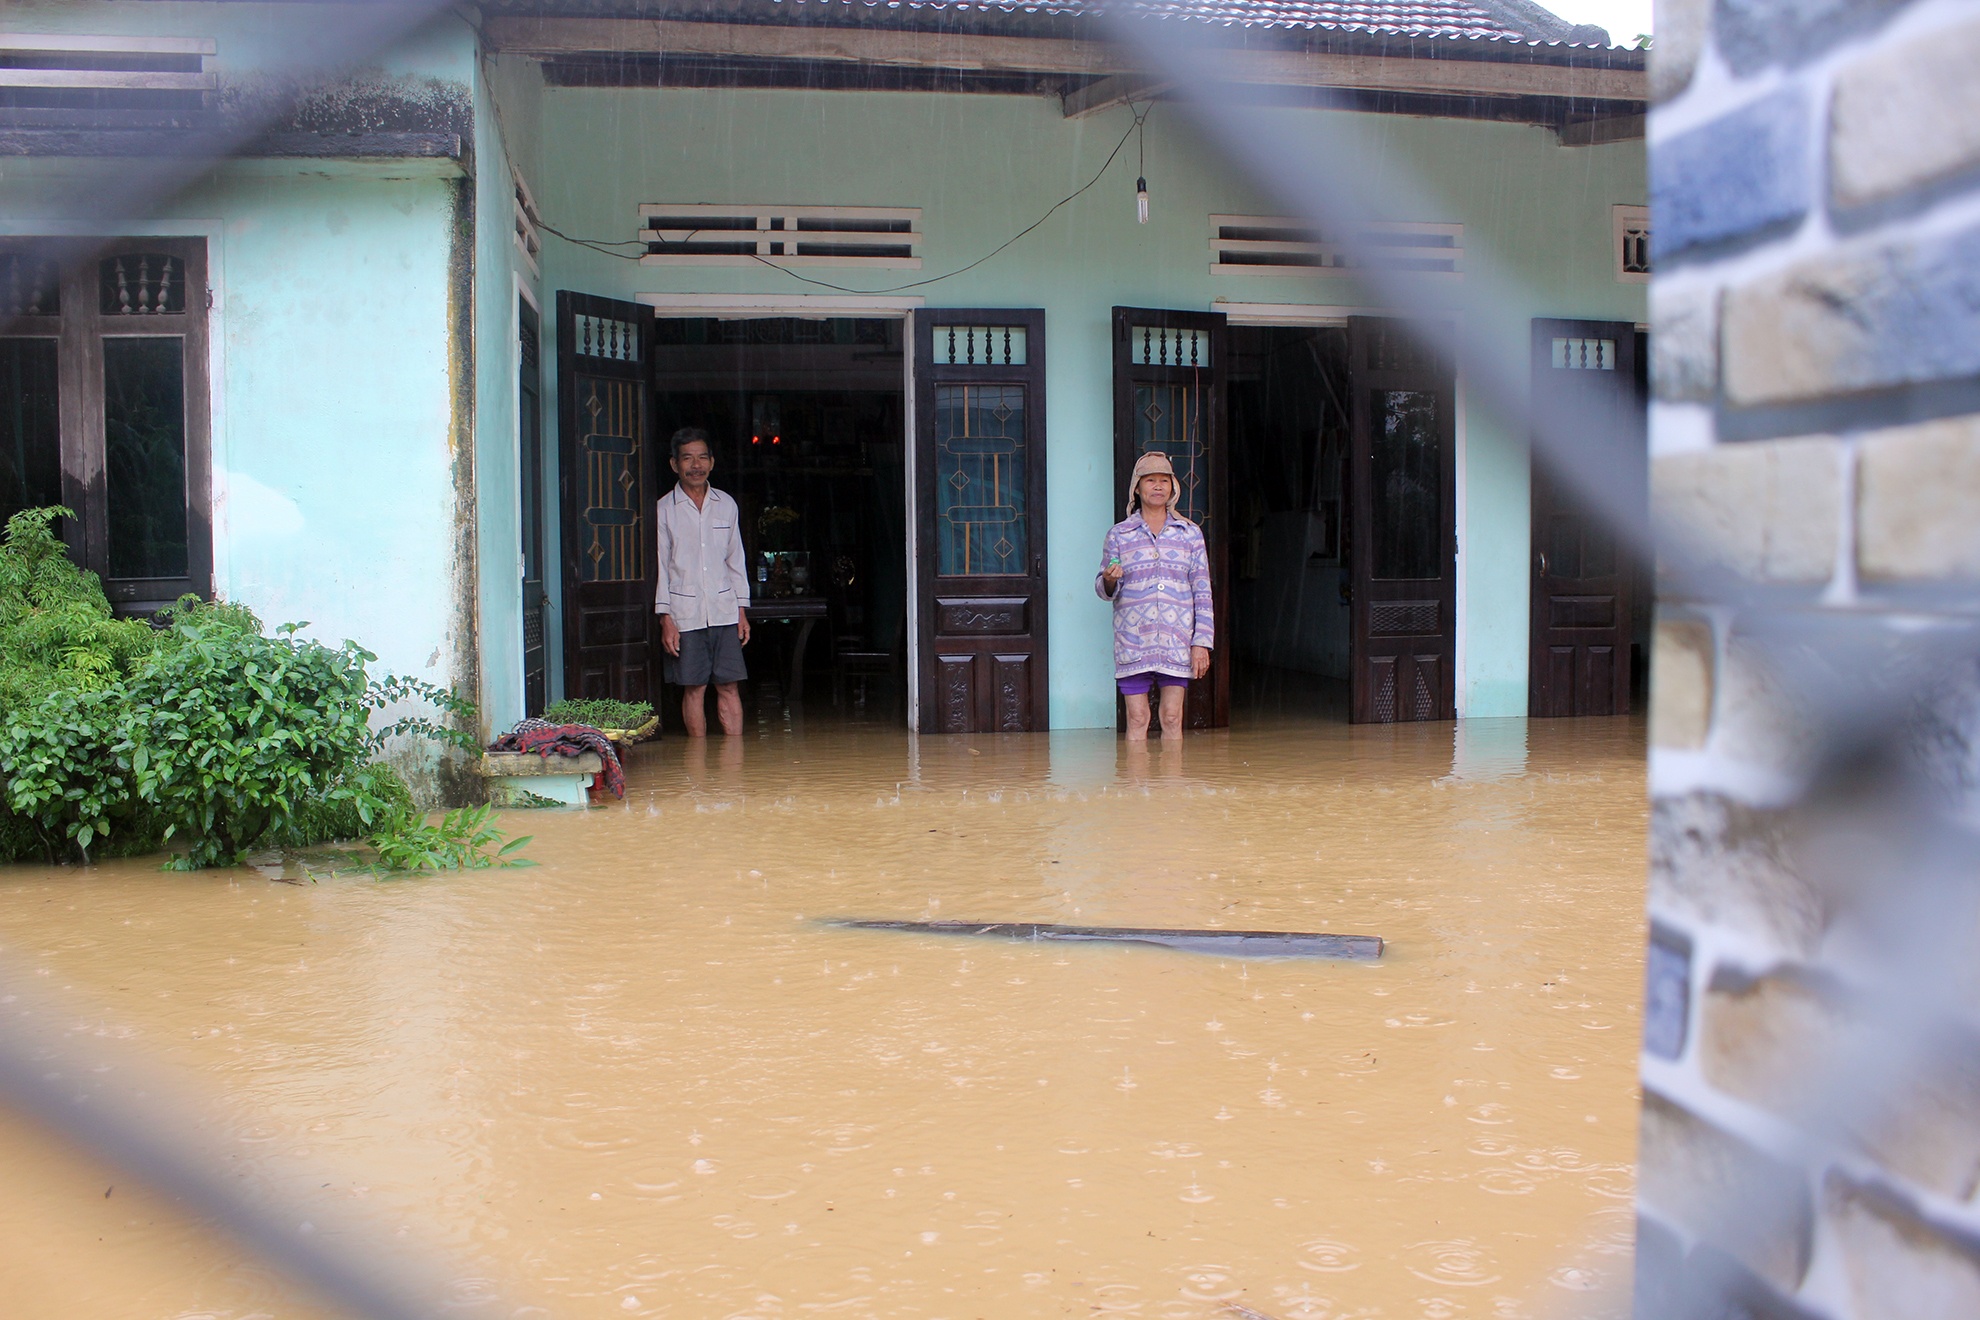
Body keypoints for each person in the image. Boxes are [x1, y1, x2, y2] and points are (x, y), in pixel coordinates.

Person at [1096, 450, 1213, 741]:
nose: (1158, 486)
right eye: (1150, 480)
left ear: (1173, 487)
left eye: (1164, 480)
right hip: (1134, 642)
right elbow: (1104, 589)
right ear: (1137, 487)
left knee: (1172, 718)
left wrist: (1201, 643)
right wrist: (1110, 580)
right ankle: (1137, 785)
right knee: (1137, 718)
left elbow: (1202, 591)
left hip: (1176, 641)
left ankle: (1169, 786)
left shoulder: (1189, 534)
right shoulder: (1119, 535)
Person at [655, 427, 751, 736]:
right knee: (694, 688)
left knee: (729, 685)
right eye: (687, 458)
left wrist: (741, 610)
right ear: (674, 464)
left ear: (711, 462)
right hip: (685, 614)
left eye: (702, 457)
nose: (695, 465)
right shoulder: (663, 510)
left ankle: (733, 765)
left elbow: (736, 562)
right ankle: (697, 769)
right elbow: (660, 567)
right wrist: (665, 618)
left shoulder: (726, 505)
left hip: (724, 610)